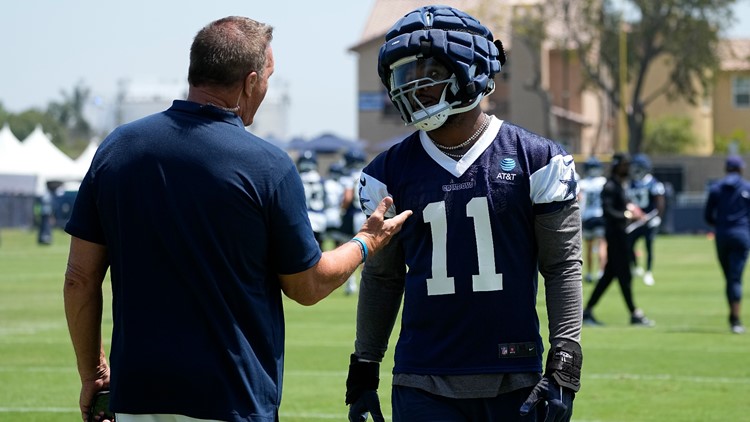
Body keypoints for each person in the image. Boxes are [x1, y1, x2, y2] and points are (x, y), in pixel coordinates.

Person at [62, 16, 411, 422]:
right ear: (249, 82)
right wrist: (366, 242)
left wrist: (94, 373)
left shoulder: (117, 148)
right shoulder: (267, 165)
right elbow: (308, 285)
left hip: (136, 395)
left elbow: (79, 278)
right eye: (267, 77)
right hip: (231, 398)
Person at [343, 6, 583, 422]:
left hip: (515, 376)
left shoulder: (537, 158)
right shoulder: (385, 173)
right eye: (404, 75)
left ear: (469, 72)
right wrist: (365, 366)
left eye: (427, 73)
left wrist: (566, 359)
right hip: (423, 379)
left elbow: (562, 266)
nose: (412, 87)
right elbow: (383, 278)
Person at [582, 152, 654, 327]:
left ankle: (587, 312)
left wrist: (633, 211)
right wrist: (627, 215)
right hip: (615, 237)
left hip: (621, 235)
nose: (628, 168)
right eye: (625, 164)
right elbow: (608, 211)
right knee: (625, 276)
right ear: (617, 166)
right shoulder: (610, 186)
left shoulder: (620, 185)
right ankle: (634, 313)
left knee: (609, 277)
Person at [704, 155, 750, 334]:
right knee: (735, 278)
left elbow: (707, 216)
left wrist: (722, 226)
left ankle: (733, 316)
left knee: (729, 278)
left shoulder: (716, 189)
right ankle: (735, 319)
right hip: (741, 236)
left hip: (722, 236)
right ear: (740, 169)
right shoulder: (747, 188)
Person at [627, 153, 666, 286]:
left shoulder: (653, 183)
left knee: (649, 245)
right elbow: (628, 201)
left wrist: (657, 218)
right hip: (635, 220)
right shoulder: (631, 183)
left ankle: (648, 272)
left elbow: (660, 203)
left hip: (649, 220)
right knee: (629, 244)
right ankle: (636, 267)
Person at [578, 156, 608, 284]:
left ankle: (590, 273)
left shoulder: (583, 183)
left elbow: (579, 200)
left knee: (589, 247)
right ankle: (601, 273)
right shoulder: (603, 182)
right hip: (600, 215)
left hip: (587, 216)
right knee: (602, 245)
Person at [297, 150, 328, 247]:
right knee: (319, 247)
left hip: (304, 216)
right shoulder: (321, 180)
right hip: (320, 216)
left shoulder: (298, 178)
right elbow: (327, 200)